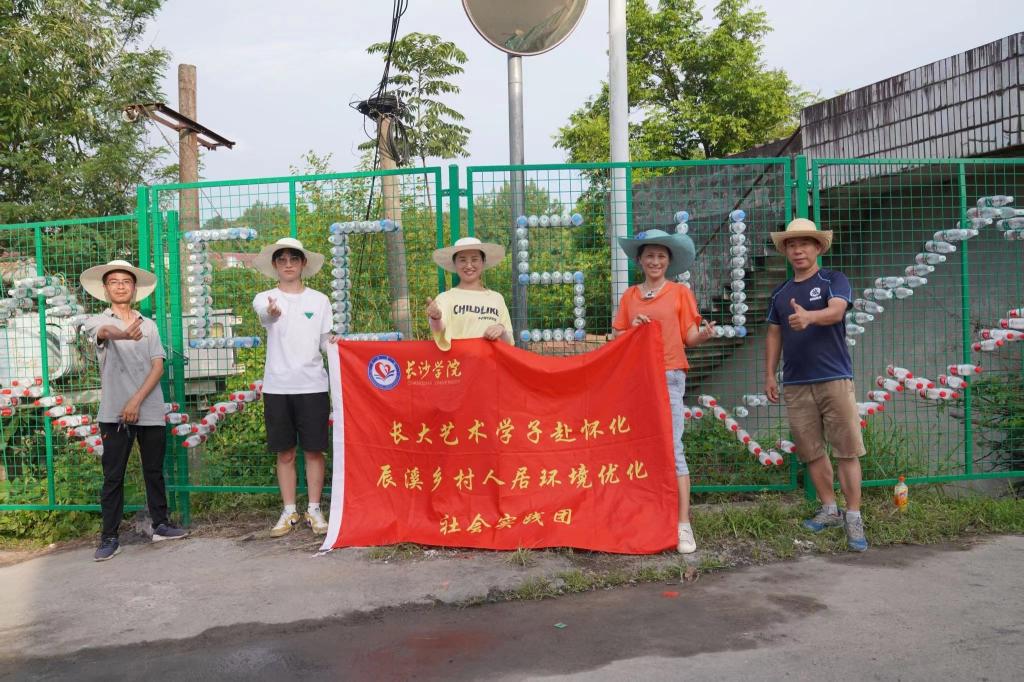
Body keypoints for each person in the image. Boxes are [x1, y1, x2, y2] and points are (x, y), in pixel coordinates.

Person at [765, 218, 868, 552]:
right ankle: (829, 509)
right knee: (811, 451)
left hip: (834, 378)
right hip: (796, 383)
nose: (798, 250)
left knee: (847, 450)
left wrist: (809, 317)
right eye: (792, 245)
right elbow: (774, 334)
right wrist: (769, 374)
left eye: (805, 244)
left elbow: (836, 312)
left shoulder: (833, 280)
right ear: (785, 251)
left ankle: (853, 516)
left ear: (818, 247)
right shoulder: (780, 293)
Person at [611, 229, 716, 554]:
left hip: (670, 374)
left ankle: (683, 524)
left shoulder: (680, 292)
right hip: (636, 378)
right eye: (649, 256)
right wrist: (633, 330)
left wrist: (704, 336)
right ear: (640, 260)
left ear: (668, 261)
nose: (655, 261)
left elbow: (689, 336)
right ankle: (645, 515)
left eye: (661, 256)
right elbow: (617, 338)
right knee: (637, 447)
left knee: (672, 447)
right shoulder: (630, 296)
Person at [80, 259, 189, 561]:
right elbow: (105, 332)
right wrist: (124, 334)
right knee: (113, 476)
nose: (120, 286)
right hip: (113, 413)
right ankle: (109, 537)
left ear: (134, 288)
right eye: (114, 281)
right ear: (106, 289)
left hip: (149, 408)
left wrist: (136, 401)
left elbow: (158, 366)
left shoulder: (149, 325)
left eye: (126, 281)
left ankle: (161, 524)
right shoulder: (96, 320)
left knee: (154, 470)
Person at [252, 237, 333, 538]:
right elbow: (266, 315)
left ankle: (314, 508)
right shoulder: (265, 297)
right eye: (282, 259)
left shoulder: (320, 300)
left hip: (313, 386)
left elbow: (325, 342)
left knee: (314, 451)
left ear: (303, 264)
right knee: (285, 452)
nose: (288, 264)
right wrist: (272, 312)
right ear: (275, 265)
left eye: (294, 259)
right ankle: (289, 510)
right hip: (278, 387)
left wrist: (338, 345)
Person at [426, 237, 514, 349]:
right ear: (454, 263)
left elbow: (509, 343)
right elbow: (438, 328)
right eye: (462, 260)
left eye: (474, 259)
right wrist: (435, 318)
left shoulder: (497, 298)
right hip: (458, 359)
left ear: (483, 262)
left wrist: (501, 329)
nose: (469, 265)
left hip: (490, 360)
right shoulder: (445, 298)